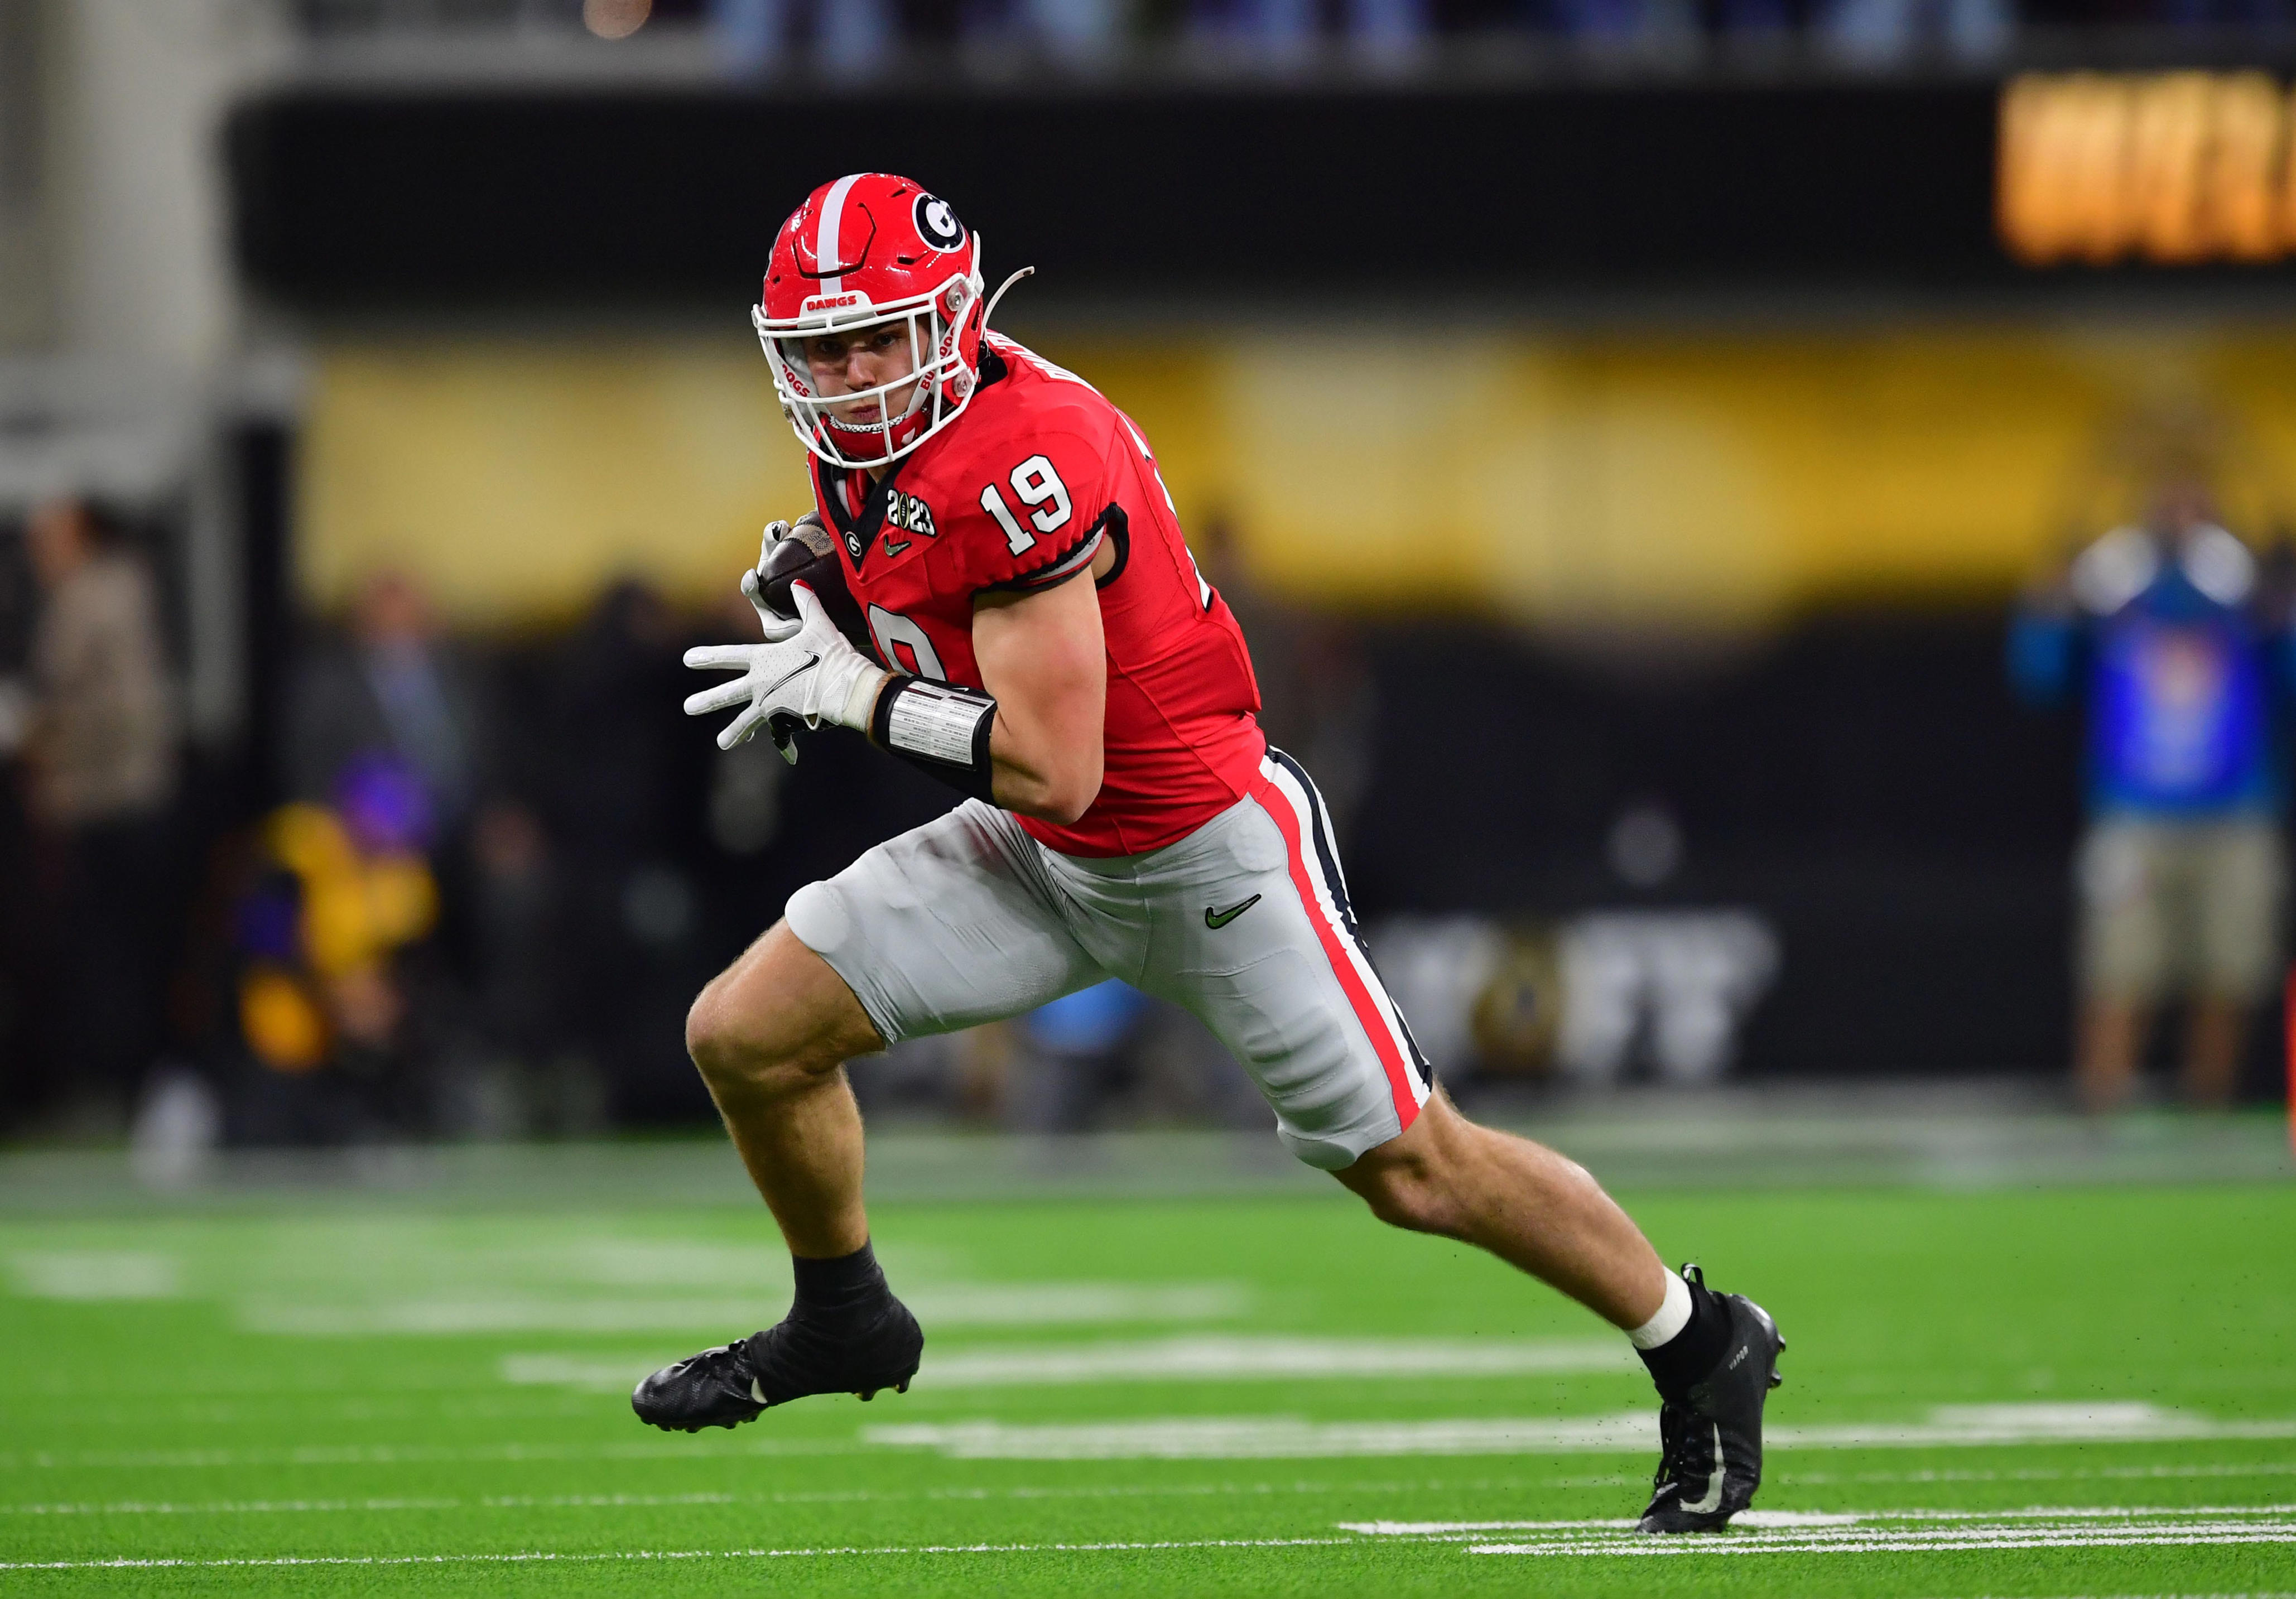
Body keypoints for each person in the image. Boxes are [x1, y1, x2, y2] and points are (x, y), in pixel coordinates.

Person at [641, 174, 1783, 1534]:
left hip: (1201, 856)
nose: (847, 378)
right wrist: (830, 584)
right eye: (819, 351)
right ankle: (843, 1318)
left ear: (948, 319)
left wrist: (863, 694)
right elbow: (942, 614)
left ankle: (1699, 1339)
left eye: (876, 339)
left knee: (1418, 1171)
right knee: (745, 1033)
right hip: (1045, 855)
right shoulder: (890, 443)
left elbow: (1052, 754)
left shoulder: (1021, 454)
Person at [2010, 479, 2294, 1112]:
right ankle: (2102, 1110)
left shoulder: (2243, 597)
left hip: (2233, 815)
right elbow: (2037, 674)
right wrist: (2049, 603)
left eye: (2194, 510)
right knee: (2117, 972)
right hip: (2132, 815)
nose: (2181, 526)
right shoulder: (2119, 597)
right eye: (2169, 511)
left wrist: (2280, 607)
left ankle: (2207, 1108)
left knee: (2229, 972)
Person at [22, 497, 177, 1111]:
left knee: (114, 957)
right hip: (105, 800)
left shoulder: (101, 594)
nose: (39, 552)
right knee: (99, 956)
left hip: (114, 801)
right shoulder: (104, 590)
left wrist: (42, 735)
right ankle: (117, 1084)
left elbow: (122, 712)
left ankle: (127, 1086)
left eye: (49, 536)